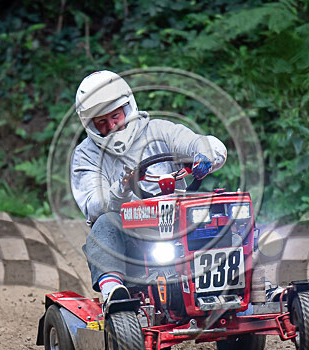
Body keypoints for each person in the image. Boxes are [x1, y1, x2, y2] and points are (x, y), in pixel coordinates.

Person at [71, 70, 227, 307]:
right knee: (104, 223)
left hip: (178, 221)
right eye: (102, 122)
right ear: (90, 125)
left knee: (223, 215)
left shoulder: (159, 130)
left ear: (128, 107)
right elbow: (93, 205)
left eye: (115, 116)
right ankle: (114, 292)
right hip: (131, 236)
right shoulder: (86, 155)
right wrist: (121, 189)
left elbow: (196, 142)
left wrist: (205, 153)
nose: (112, 126)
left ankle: (248, 281)